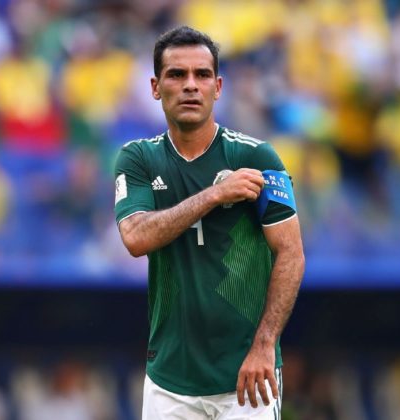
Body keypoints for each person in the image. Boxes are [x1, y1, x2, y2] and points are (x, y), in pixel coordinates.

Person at [114, 26, 305, 419]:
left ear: (217, 87)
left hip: (248, 377)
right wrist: (215, 194)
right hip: (170, 381)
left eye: (202, 75)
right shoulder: (137, 159)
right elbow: (135, 237)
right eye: (176, 74)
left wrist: (265, 346)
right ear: (155, 87)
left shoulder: (258, 157)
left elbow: (291, 253)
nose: (190, 85)